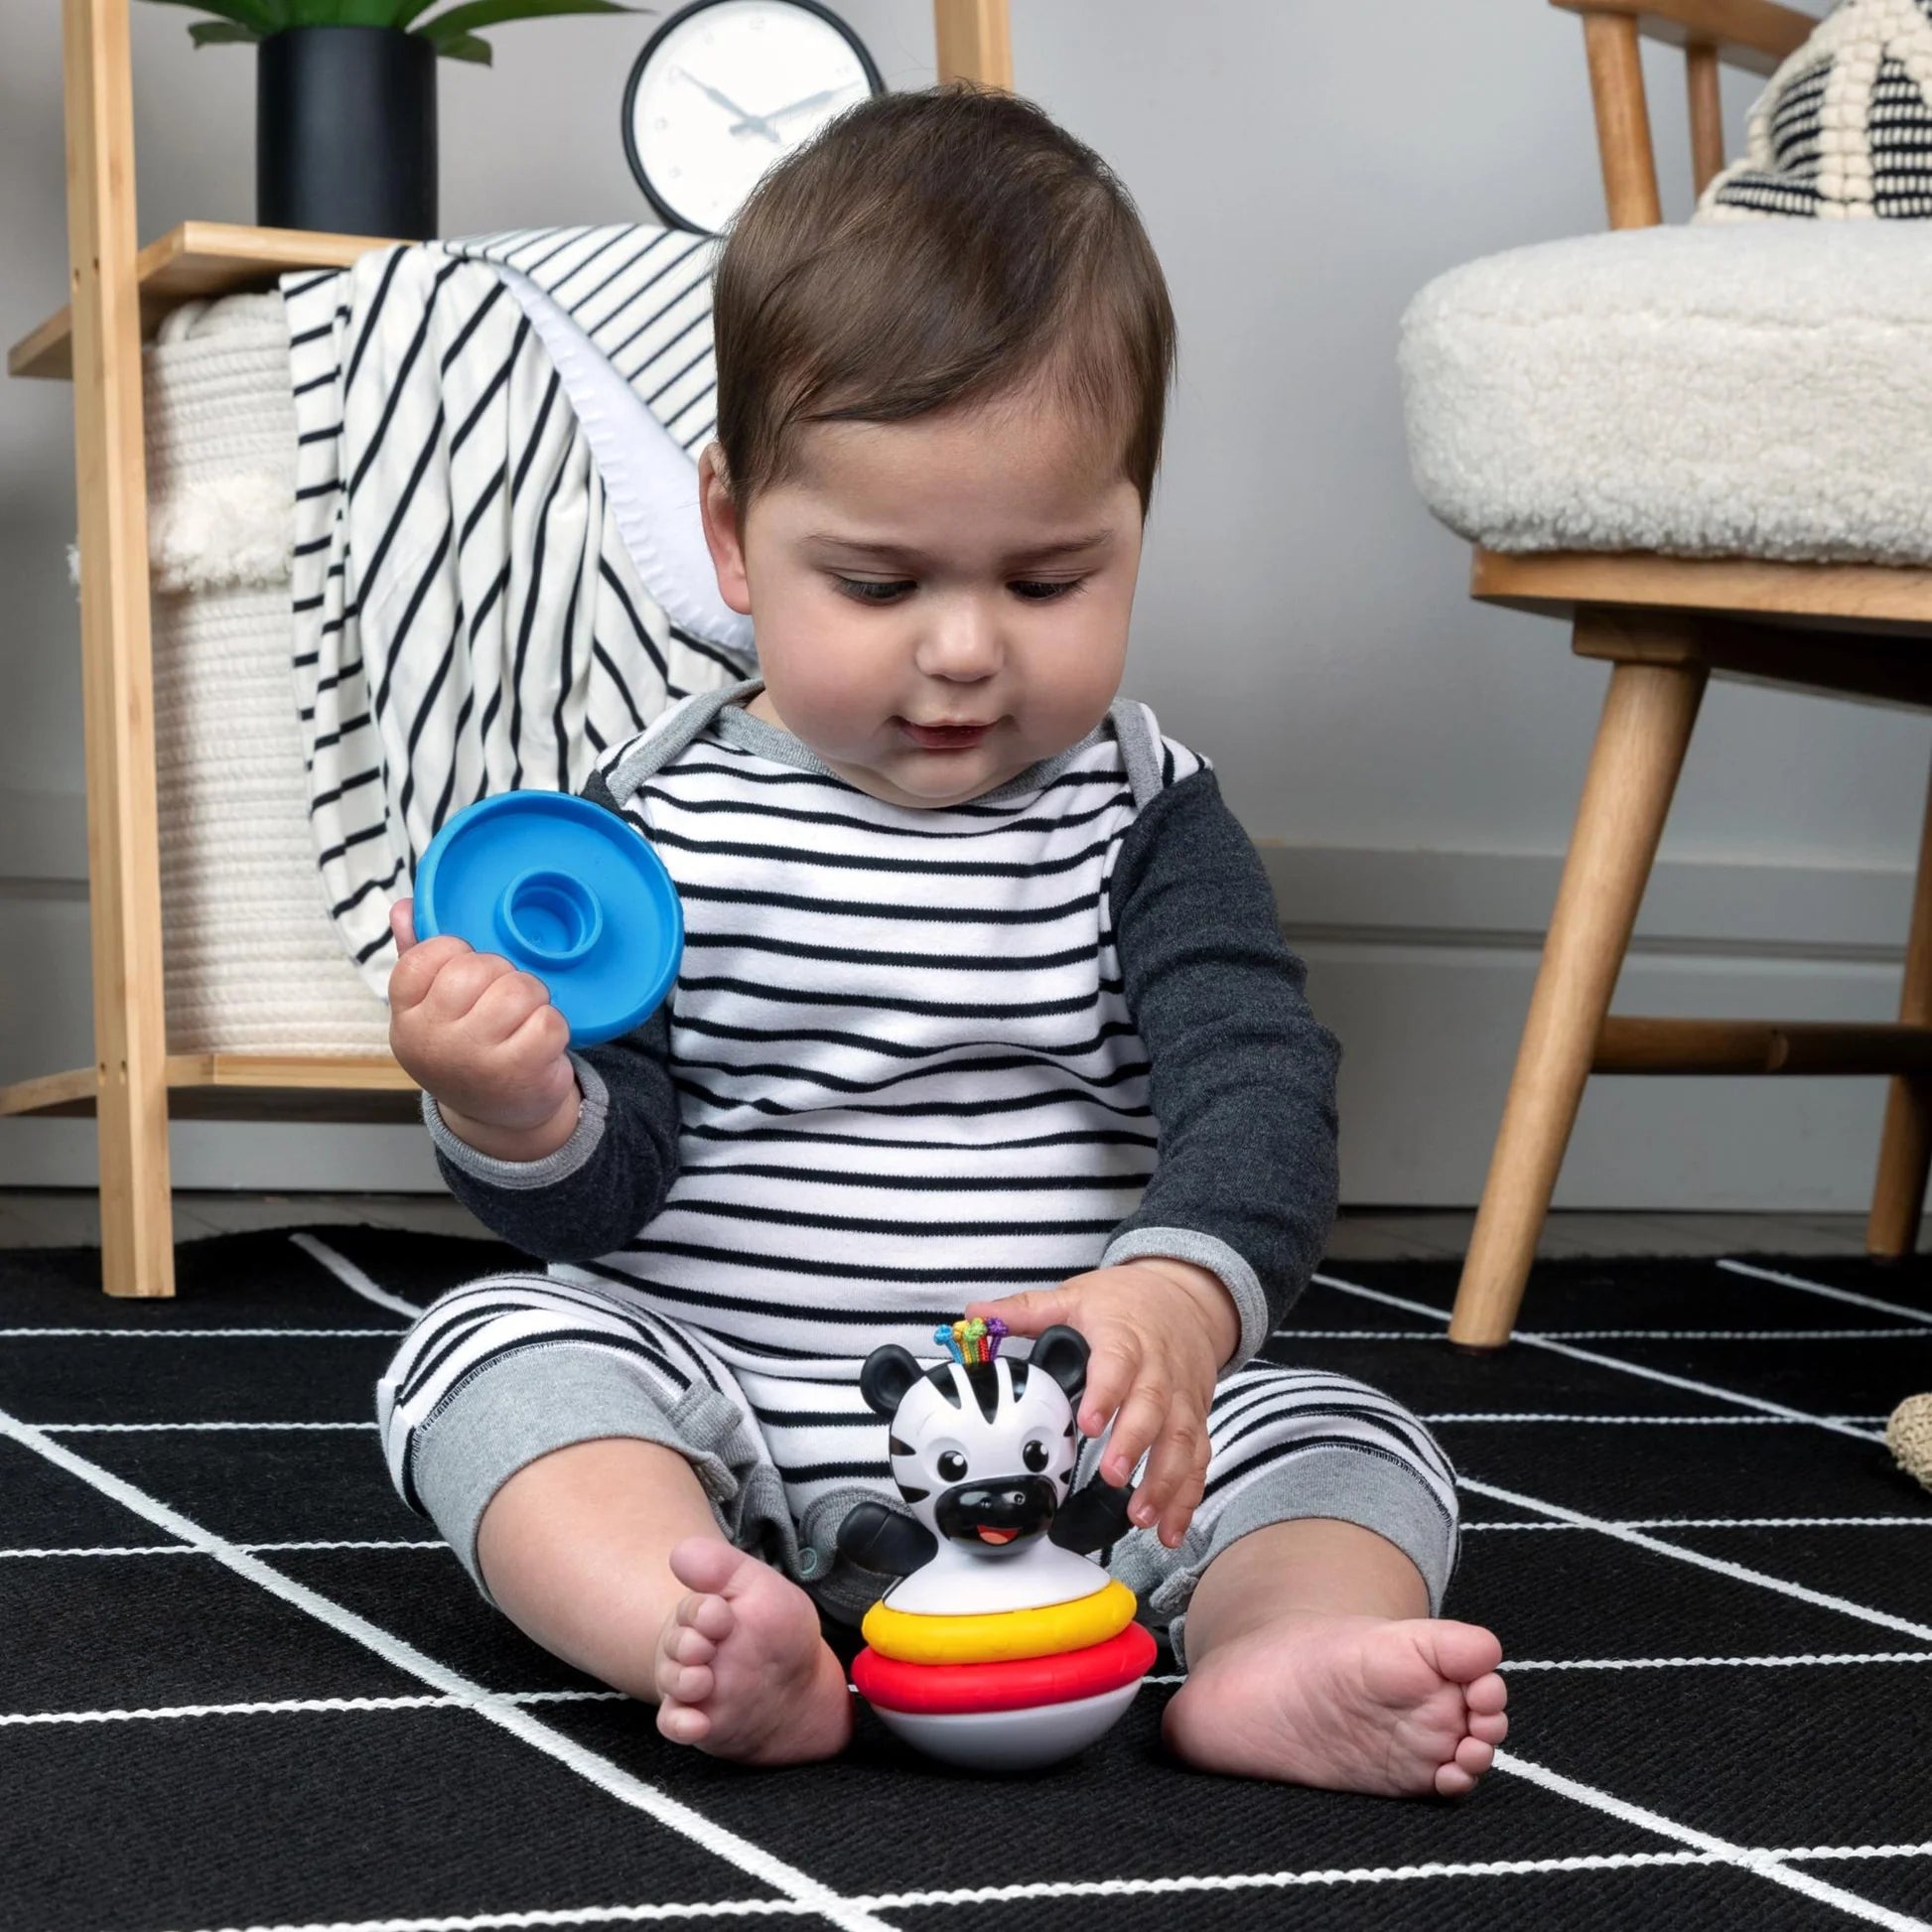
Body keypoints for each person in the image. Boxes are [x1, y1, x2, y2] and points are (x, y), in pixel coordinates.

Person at [375, 82, 1507, 1795]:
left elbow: (1256, 1086)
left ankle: (1270, 1657)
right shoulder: (653, 818)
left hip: (1089, 1453)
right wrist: (517, 1107)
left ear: (1133, 521)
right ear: (736, 537)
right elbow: (610, 1184)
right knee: (486, 1354)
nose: (967, 650)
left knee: (1354, 1440)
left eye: (1049, 581)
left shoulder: (1144, 816)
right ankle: (689, 1620)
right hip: (729, 1420)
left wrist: (1178, 1300)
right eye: (884, 584)